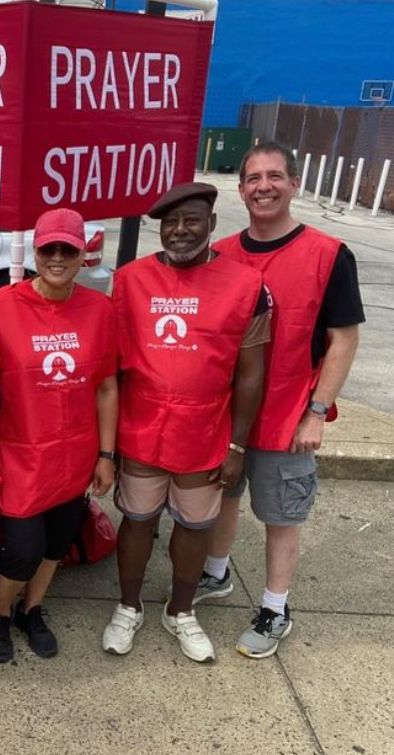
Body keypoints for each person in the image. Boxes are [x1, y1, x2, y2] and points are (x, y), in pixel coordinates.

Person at [206, 141, 364, 658]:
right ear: (242, 188)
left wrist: (317, 411)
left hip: (288, 415)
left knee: (281, 514)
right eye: (253, 178)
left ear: (294, 184)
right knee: (222, 499)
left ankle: (275, 607)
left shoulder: (328, 255)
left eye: (274, 176)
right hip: (228, 416)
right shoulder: (221, 255)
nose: (264, 186)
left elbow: (343, 339)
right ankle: (217, 572)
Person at [103, 183, 269, 664]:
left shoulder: (247, 285)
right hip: (142, 427)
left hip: (206, 431)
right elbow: (112, 365)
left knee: (195, 525)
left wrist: (238, 447)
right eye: (170, 223)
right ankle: (128, 605)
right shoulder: (130, 279)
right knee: (136, 521)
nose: (180, 231)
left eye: (192, 220)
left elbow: (252, 373)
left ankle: (180, 612)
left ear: (213, 224)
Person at [0, 208, 118, 662]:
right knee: (22, 550)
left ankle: (31, 610)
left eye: (67, 250)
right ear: (35, 252)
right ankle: (0, 613)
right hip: (18, 455)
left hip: (75, 455)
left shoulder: (99, 309)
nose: (57, 257)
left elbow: (108, 386)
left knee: (56, 545)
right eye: (48, 248)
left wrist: (106, 454)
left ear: (83, 256)